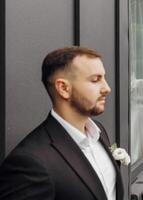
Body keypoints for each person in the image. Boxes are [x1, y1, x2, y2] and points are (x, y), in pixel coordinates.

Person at [0, 46, 125, 199]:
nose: (107, 88)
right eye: (95, 80)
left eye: (104, 78)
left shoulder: (99, 131)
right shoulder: (31, 163)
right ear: (64, 88)